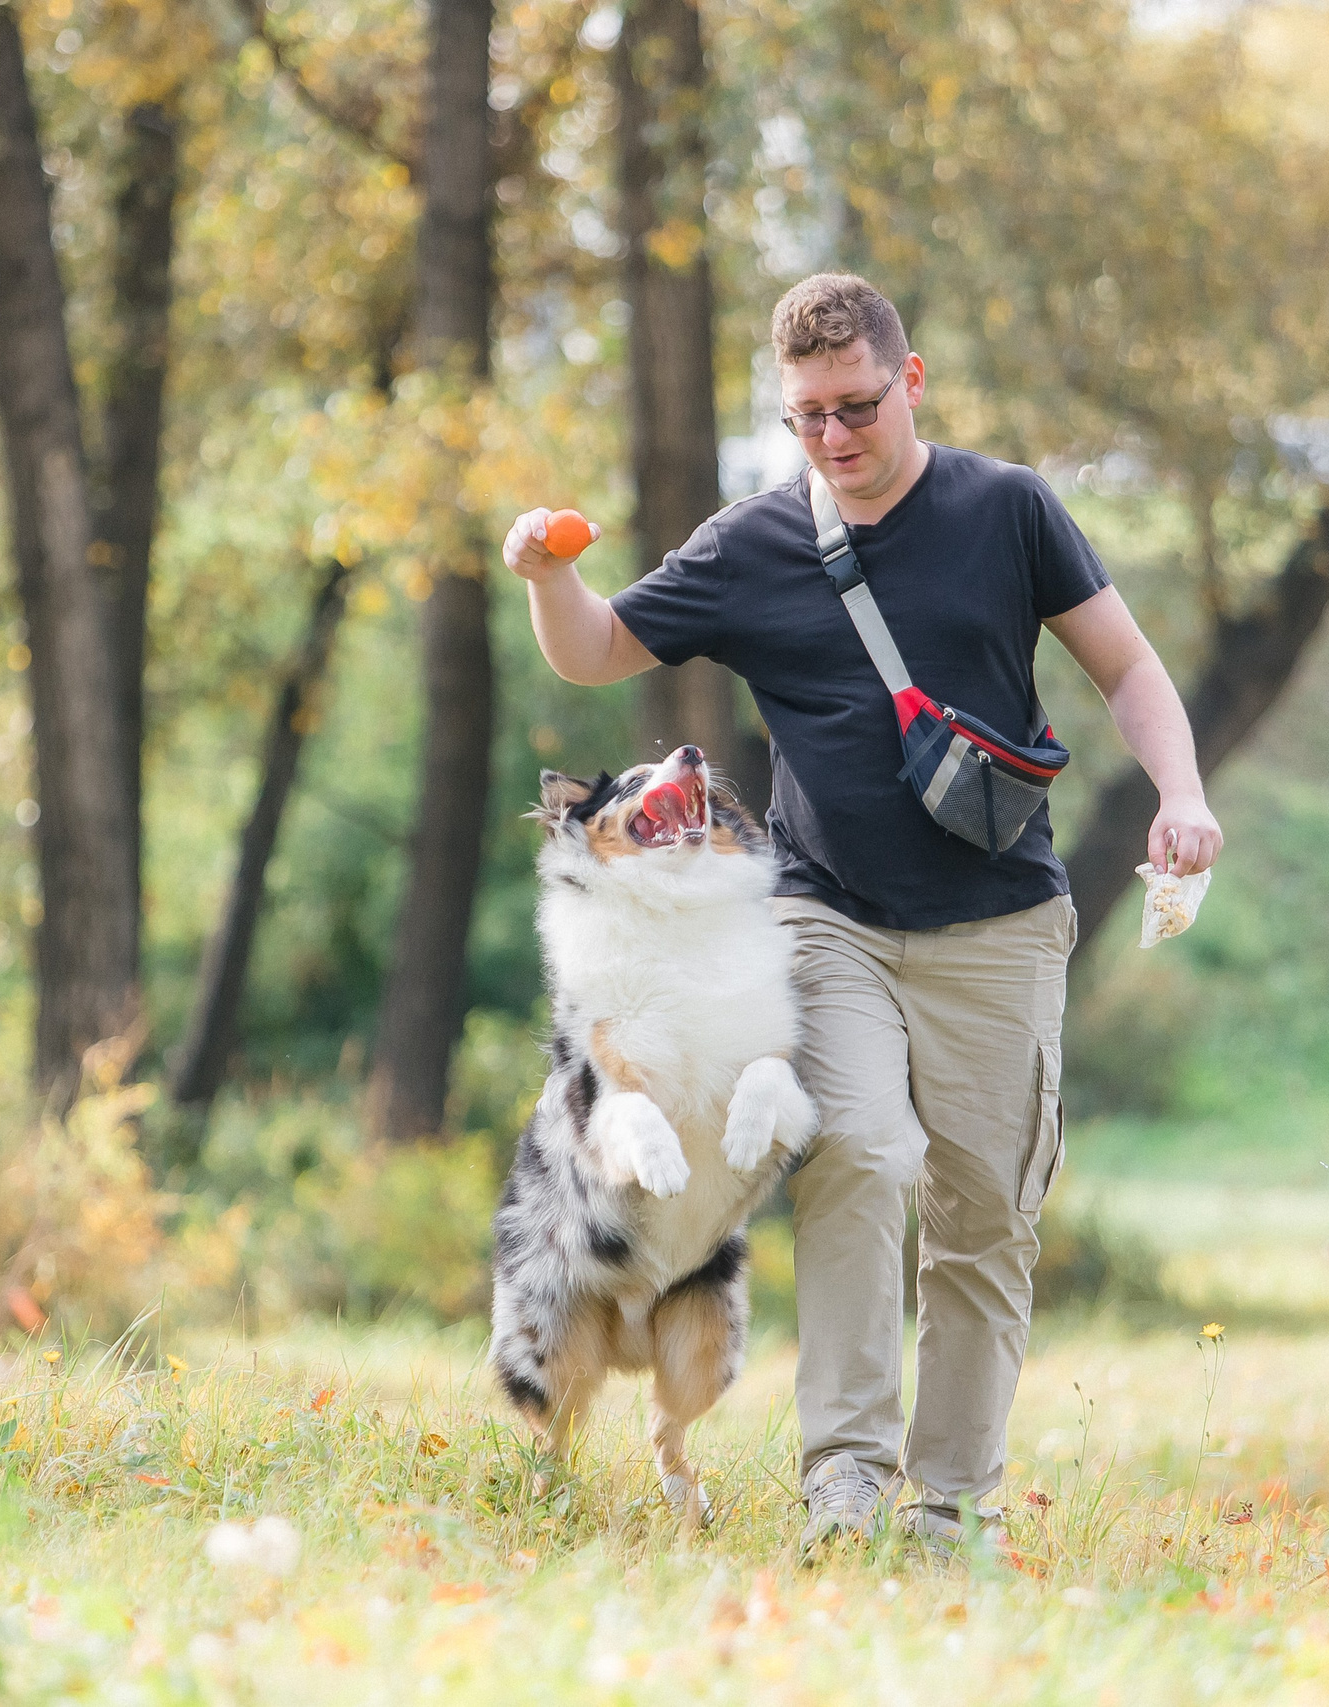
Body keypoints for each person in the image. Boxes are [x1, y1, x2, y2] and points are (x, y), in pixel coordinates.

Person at [501, 273, 1222, 1546]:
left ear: (912, 381)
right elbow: (600, 646)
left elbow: (1126, 665)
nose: (834, 437)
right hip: (825, 917)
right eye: (807, 416)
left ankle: (947, 1504)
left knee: (988, 1221)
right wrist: (544, 574)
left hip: (1000, 923)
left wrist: (1180, 790)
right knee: (859, 1153)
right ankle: (845, 1476)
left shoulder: (1007, 510)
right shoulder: (755, 543)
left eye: (857, 405)